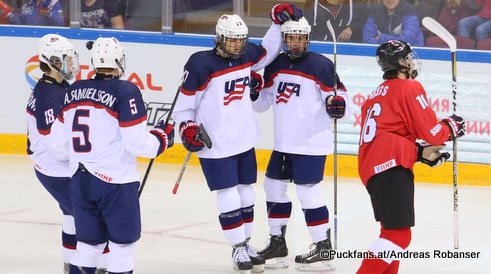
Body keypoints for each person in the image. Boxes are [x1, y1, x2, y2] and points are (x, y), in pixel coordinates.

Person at [171, 3, 303, 273]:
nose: (236, 46)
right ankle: (237, 248)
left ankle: (246, 243)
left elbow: (266, 51)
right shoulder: (200, 63)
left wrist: (277, 23)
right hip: (215, 143)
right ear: (220, 38)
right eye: (231, 41)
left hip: (244, 138)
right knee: (229, 193)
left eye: (240, 41)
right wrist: (186, 127)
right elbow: (183, 106)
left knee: (246, 193)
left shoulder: (246, 54)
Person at [50, 36, 174, 274]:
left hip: (80, 180)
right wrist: (162, 138)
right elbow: (137, 143)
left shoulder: (74, 90)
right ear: (118, 60)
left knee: (87, 245)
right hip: (115, 184)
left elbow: (57, 142)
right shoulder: (125, 90)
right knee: (122, 247)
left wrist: (87, 157)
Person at [250, 16, 352, 271]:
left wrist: (338, 107)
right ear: (284, 39)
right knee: (273, 188)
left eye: (300, 38)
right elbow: (263, 104)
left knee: (307, 193)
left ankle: (323, 248)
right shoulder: (276, 65)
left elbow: (343, 103)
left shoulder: (321, 65)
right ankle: (277, 243)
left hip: (310, 144)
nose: (295, 43)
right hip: (284, 144)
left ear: (307, 39)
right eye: (291, 38)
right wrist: (254, 92)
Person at [356, 40, 466, 274]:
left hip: (374, 169)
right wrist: (451, 127)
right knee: (399, 236)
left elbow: (386, 136)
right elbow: (432, 133)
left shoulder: (375, 95)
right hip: (391, 169)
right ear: (399, 63)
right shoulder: (409, 87)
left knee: (390, 234)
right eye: (407, 58)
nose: (411, 61)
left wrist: (418, 153)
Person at [26, 33, 79, 274]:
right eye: (65, 59)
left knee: (71, 214)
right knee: (89, 217)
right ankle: (88, 266)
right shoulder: (51, 95)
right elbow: (53, 144)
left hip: (48, 167)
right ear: (52, 63)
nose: (71, 64)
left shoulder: (54, 86)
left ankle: (71, 264)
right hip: (55, 168)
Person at [304, 0, 368, 42]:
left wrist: (352, 28)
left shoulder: (355, 4)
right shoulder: (312, 4)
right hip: (319, 48)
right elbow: (306, 28)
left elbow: (365, 21)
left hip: (345, 49)